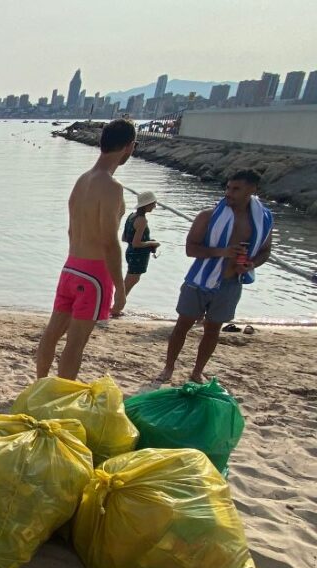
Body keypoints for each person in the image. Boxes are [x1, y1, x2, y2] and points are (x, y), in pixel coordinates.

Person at [34, 118, 137, 380]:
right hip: (94, 274)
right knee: (75, 344)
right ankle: (62, 395)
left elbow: (71, 230)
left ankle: (40, 386)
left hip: (71, 266)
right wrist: (120, 289)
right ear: (129, 147)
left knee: (51, 334)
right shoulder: (112, 187)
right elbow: (109, 242)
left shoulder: (81, 181)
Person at [158, 169, 273, 383]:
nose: (229, 193)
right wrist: (222, 251)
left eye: (236, 189)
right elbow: (191, 249)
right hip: (199, 280)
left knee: (213, 330)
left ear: (252, 190)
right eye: (228, 187)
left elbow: (265, 251)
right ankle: (168, 368)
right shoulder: (207, 216)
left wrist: (251, 264)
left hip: (231, 283)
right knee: (182, 324)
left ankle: (197, 371)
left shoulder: (262, 220)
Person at [113, 190, 161, 315]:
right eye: (153, 204)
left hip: (130, 253)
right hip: (138, 255)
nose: (155, 206)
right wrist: (152, 243)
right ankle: (116, 309)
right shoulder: (142, 220)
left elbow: (125, 238)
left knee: (127, 282)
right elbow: (136, 243)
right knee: (128, 283)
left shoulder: (131, 216)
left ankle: (115, 307)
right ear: (147, 205)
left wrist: (147, 241)